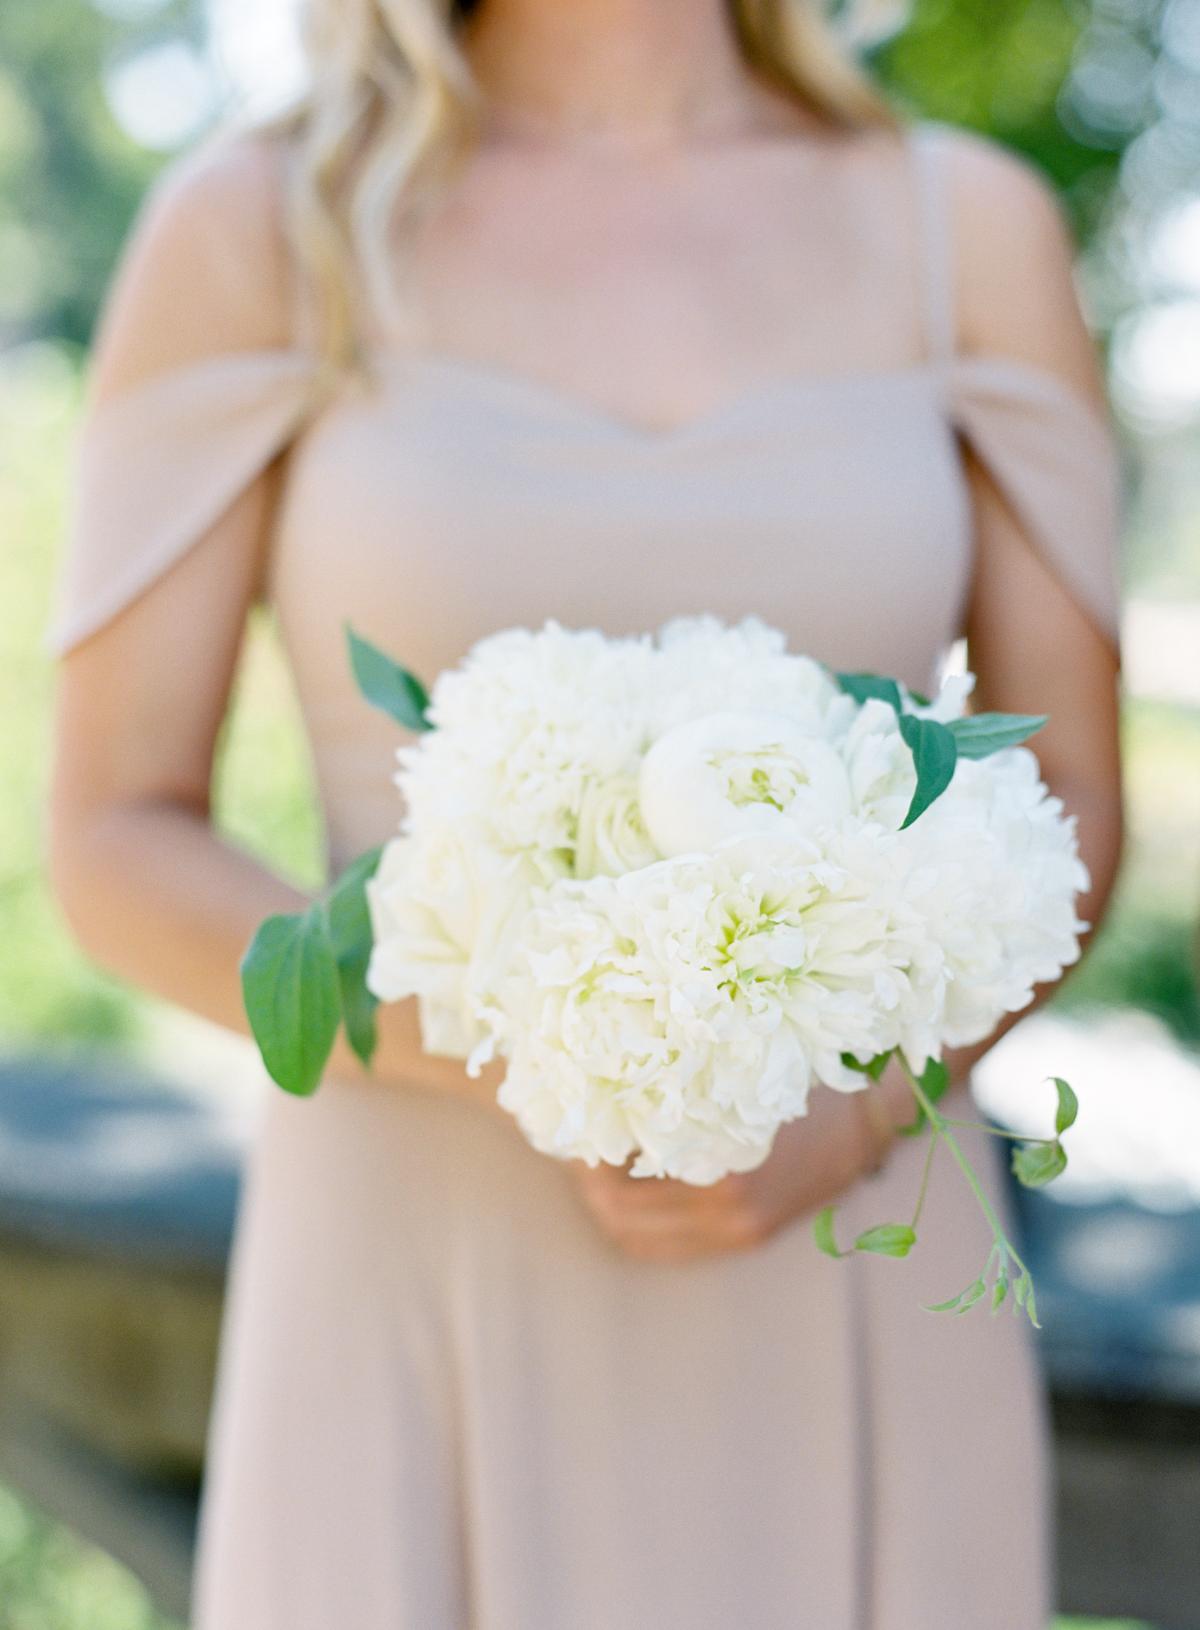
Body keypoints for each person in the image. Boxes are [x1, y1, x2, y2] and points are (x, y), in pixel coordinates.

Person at [45, 1, 1123, 1625]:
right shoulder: (269, 223)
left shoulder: (963, 226)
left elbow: (1074, 808)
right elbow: (116, 838)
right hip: (417, 1268)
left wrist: (839, 1118)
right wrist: (580, 1044)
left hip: (850, 1249)